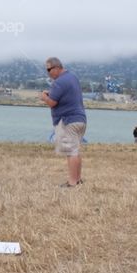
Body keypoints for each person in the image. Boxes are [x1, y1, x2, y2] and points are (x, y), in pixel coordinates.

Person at [40, 57, 86, 187]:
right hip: (80, 119)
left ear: (56, 67)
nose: (47, 73)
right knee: (75, 150)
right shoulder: (72, 77)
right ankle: (77, 179)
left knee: (70, 151)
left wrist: (44, 97)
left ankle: (71, 183)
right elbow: (66, 95)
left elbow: (52, 102)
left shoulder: (59, 82)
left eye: (48, 70)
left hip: (68, 121)